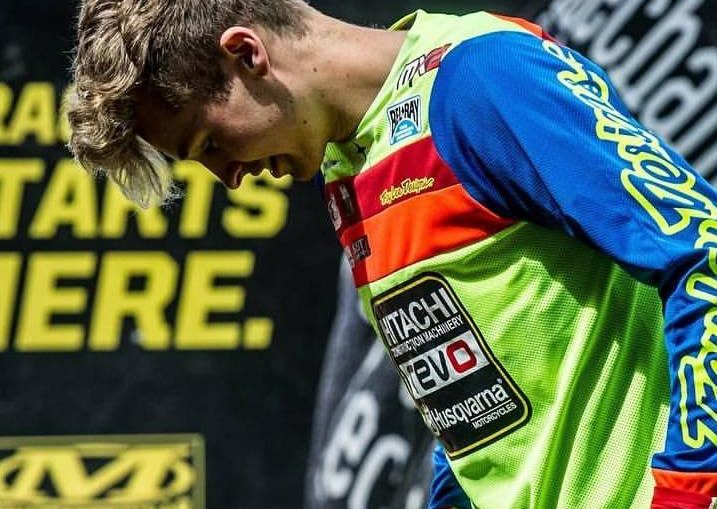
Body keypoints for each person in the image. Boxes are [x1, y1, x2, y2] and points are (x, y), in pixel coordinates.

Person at [67, 1, 717, 508]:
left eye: (209, 142)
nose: (227, 176)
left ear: (246, 54)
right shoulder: (347, 168)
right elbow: (474, 415)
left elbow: (702, 251)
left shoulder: (479, 79)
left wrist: (685, 491)